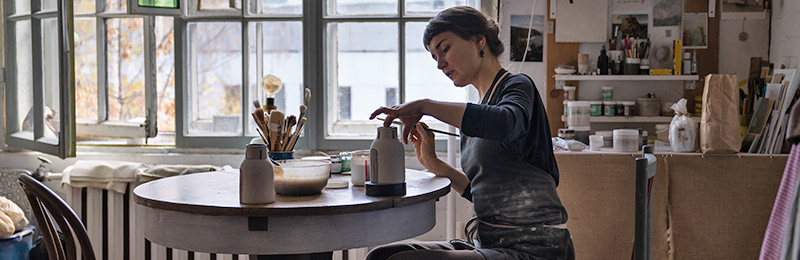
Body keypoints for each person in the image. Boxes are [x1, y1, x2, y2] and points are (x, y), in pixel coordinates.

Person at [366, 6, 574, 260]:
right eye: (435, 58)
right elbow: (482, 193)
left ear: (479, 40)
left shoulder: (517, 86)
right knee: (383, 256)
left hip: (538, 249)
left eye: (445, 49)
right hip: (489, 243)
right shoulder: (479, 111)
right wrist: (435, 164)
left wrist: (426, 106)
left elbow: (506, 124)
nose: (440, 64)